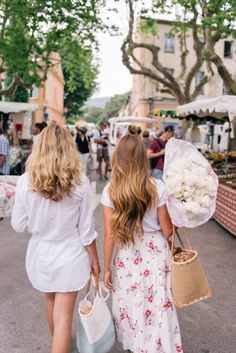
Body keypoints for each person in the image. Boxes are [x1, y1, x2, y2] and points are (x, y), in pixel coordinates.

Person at [11, 121, 100, 353]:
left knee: (51, 304)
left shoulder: (26, 180)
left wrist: (39, 220)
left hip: (41, 254)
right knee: (64, 319)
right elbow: (86, 231)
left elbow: (19, 225)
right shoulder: (80, 182)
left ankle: (57, 345)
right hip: (71, 254)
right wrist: (96, 261)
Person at [101, 134, 182, 353]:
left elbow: (109, 235)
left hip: (127, 253)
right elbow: (167, 230)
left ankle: (135, 346)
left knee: (131, 303)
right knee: (158, 303)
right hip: (155, 252)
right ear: (141, 158)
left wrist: (106, 268)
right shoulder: (157, 186)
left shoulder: (111, 190)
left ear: (118, 157)